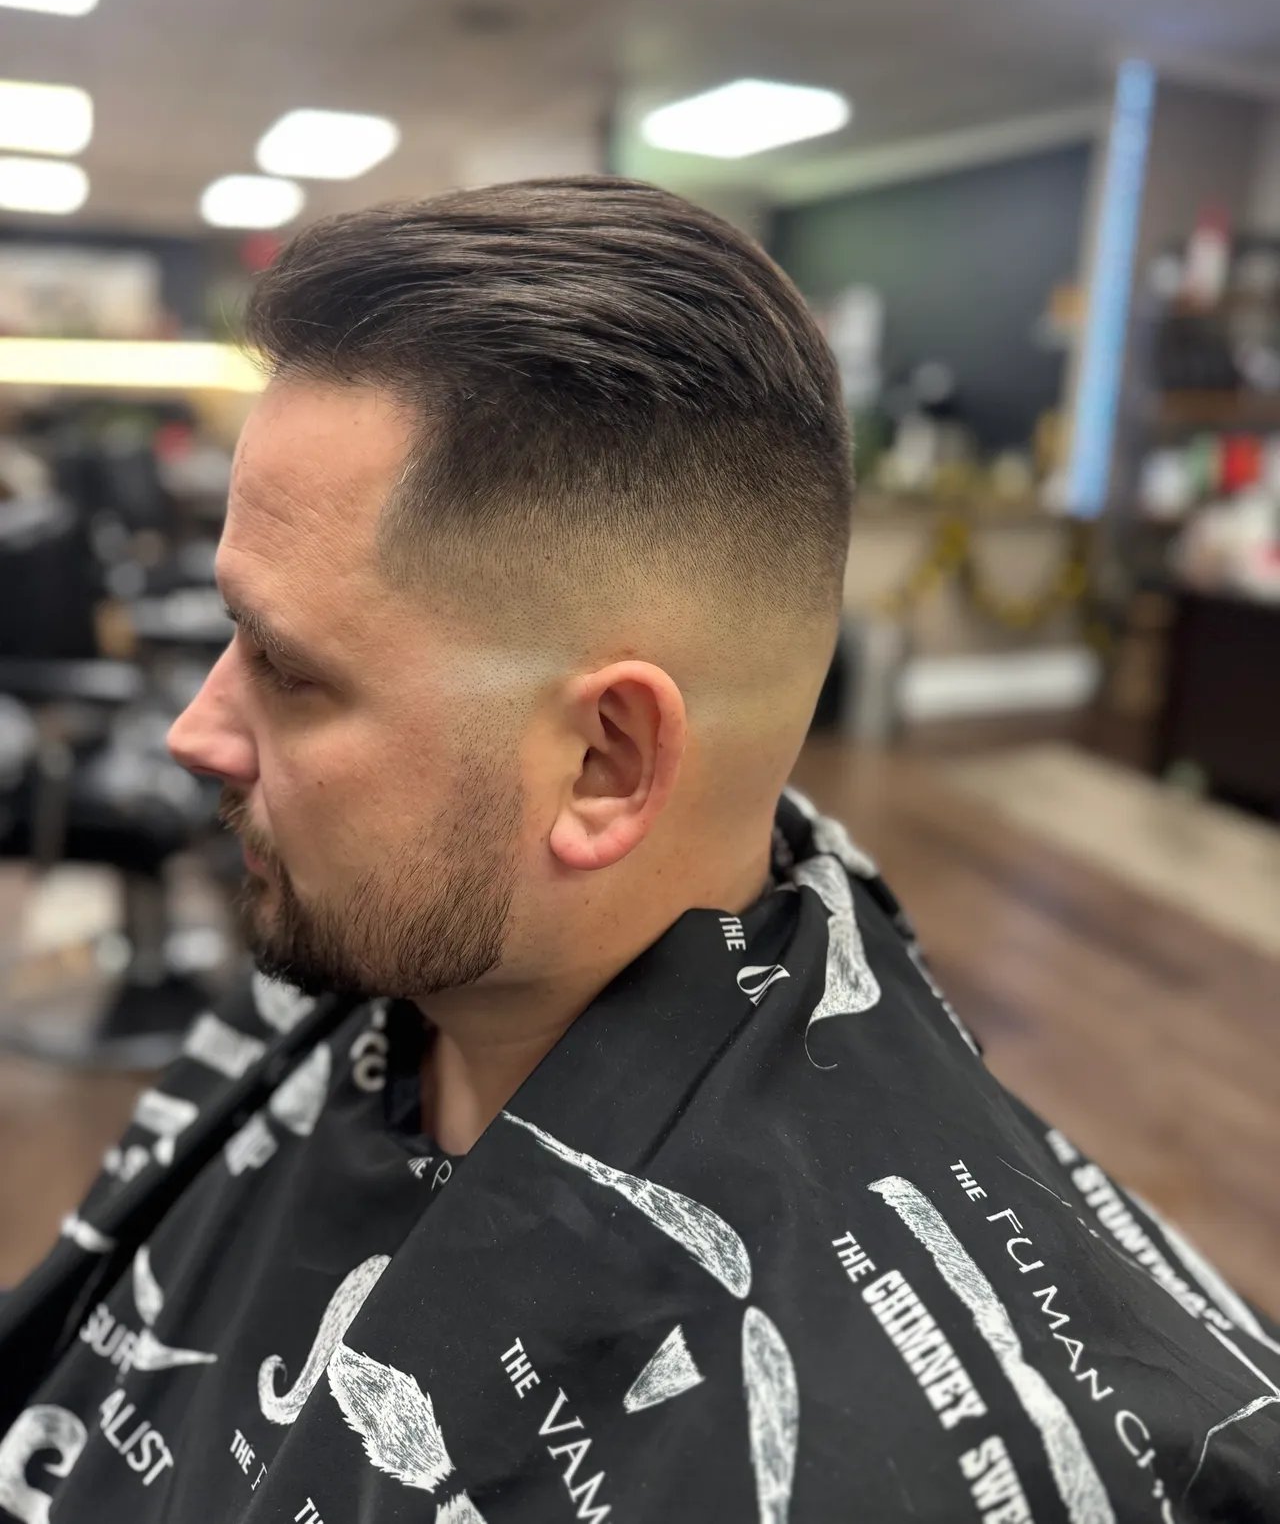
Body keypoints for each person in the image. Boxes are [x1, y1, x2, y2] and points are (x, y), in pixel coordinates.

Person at [0, 177, 1275, 1523]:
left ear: (605, 763)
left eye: (289, 670)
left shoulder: (927, 1469)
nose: (200, 730)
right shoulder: (351, 930)